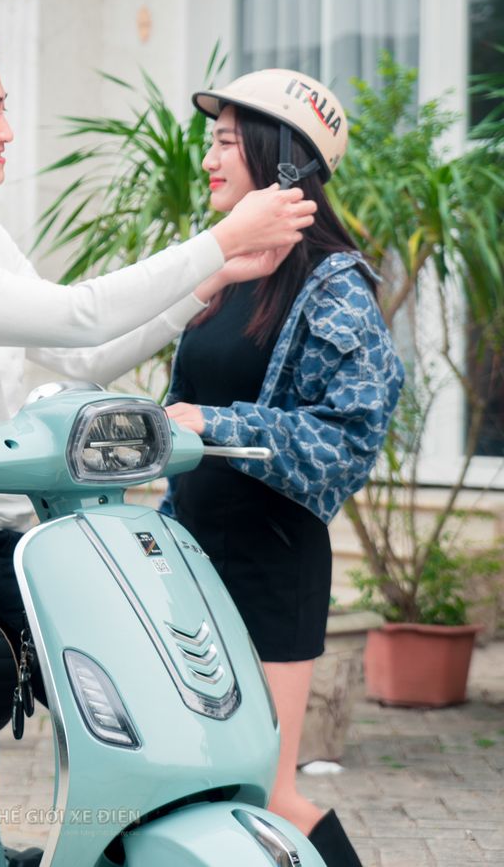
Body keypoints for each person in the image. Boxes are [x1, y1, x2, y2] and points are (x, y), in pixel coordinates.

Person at [0, 20, 317, 867]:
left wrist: (209, 279)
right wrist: (222, 238)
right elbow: (78, 313)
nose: (8, 130)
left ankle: (148, 826)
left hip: (2, 536)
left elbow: (83, 354)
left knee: (124, 632)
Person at [162, 69, 404, 867]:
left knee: (268, 792)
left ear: (283, 159)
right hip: (190, 558)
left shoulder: (333, 284)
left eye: (227, 142)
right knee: (200, 786)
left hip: (270, 563)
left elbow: (348, 438)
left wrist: (216, 421)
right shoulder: (224, 271)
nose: (209, 160)